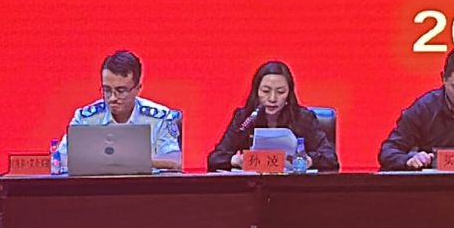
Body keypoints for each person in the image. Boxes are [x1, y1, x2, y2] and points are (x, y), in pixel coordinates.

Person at [59, 49, 183, 171]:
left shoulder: (159, 118)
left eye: (121, 91)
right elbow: (60, 158)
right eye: (107, 90)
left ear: (138, 89)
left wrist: (123, 162)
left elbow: (174, 161)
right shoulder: (85, 118)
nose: (112, 98)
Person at [208, 60, 338, 172]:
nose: (272, 98)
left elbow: (330, 158)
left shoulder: (303, 118)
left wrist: (307, 160)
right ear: (256, 92)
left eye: (280, 92)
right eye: (266, 91)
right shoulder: (245, 118)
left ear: (289, 94)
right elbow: (215, 158)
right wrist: (236, 160)